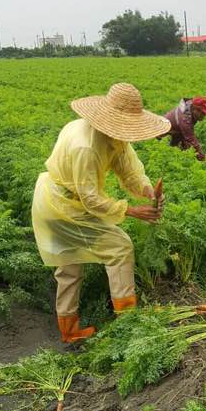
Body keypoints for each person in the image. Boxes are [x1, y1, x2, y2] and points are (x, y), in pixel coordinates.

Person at [31, 82, 170, 344]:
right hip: (61, 205)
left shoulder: (112, 136)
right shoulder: (87, 147)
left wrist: (148, 190)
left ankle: (69, 330)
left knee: (68, 264)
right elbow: (91, 198)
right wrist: (129, 210)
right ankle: (127, 322)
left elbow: (128, 168)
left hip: (62, 200)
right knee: (119, 247)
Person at [160, 96, 206, 161]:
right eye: (202, 113)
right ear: (194, 109)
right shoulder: (185, 119)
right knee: (162, 154)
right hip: (159, 134)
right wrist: (202, 157)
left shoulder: (189, 108)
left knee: (181, 148)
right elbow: (191, 139)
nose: (204, 116)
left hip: (175, 131)